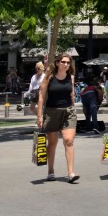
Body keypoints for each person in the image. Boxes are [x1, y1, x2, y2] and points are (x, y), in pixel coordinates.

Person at [36, 52, 79, 183]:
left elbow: (71, 94)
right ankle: (51, 171)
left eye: (68, 62)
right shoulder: (49, 77)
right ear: (57, 62)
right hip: (51, 112)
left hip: (68, 111)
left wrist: (74, 109)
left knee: (69, 140)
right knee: (52, 143)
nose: (65, 64)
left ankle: (70, 173)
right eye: (63, 62)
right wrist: (39, 116)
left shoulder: (71, 77)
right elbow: (41, 97)